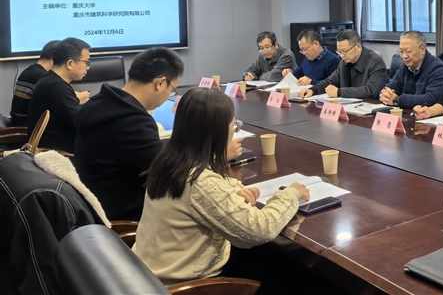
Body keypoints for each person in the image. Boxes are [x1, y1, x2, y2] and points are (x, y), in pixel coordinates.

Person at [133, 87, 310, 286]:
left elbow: (207, 191)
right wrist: (292, 194)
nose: (234, 130)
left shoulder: (169, 160)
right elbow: (261, 230)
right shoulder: (200, 181)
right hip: (187, 285)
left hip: (150, 274)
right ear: (217, 131)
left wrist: (232, 189)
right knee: (290, 273)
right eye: (233, 124)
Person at [73, 47, 185, 221]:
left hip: (98, 202)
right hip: (128, 216)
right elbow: (171, 174)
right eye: (172, 90)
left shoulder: (100, 102)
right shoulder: (133, 122)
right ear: (160, 83)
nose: (169, 95)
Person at [26, 38, 91, 153]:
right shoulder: (57, 87)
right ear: (70, 63)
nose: (88, 67)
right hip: (58, 154)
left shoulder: (48, 78)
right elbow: (81, 123)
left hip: (52, 149)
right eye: (86, 62)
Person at [299, 30, 387, 99]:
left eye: (345, 51)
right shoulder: (344, 61)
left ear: (358, 46)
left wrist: (339, 92)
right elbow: (330, 81)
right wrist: (313, 90)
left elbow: (370, 91)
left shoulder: (375, 62)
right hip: (351, 107)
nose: (341, 55)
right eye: (339, 51)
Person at [379, 30, 443, 108]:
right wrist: (385, 95)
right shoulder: (404, 67)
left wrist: (398, 100)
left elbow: (432, 99)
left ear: (422, 49)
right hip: (408, 113)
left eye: (408, 51)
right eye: (401, 51)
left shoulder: (437, 68)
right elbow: (390, 88)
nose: (404, 56)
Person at [10, 40, 60, 127]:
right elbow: (59, 104)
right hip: (27, 129)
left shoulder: (29, 71)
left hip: (18, 123)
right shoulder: (43, 77)